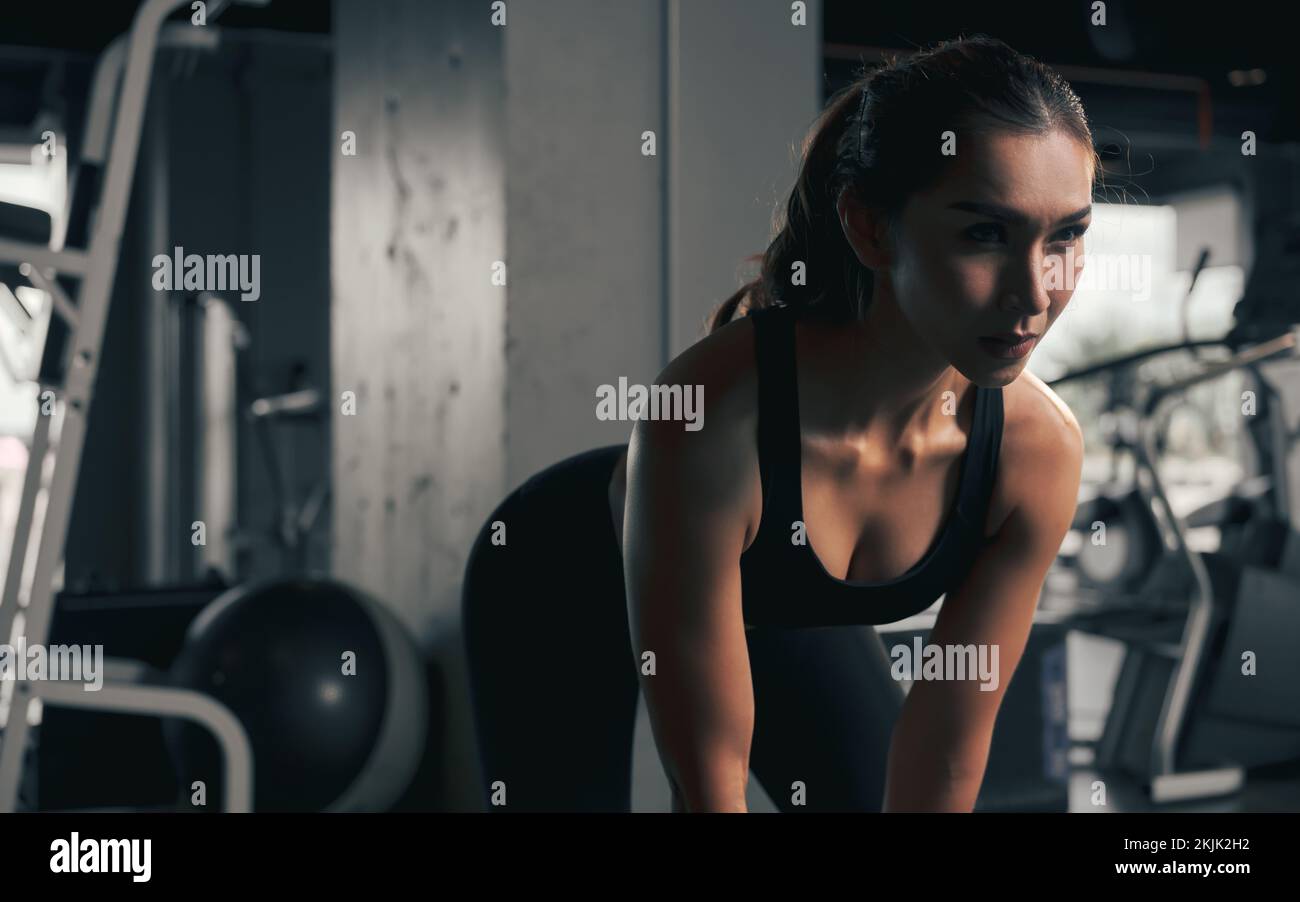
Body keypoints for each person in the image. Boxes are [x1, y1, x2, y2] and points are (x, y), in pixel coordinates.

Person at [463, 34, 1090, 813]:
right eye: (984, 233)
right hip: (560, 576)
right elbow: (708, 791)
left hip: (779, 593)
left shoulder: (1036, 452)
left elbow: (946, 756)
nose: (1035, 294)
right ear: (870, 227)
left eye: (1066, 235)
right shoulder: (711, 417)